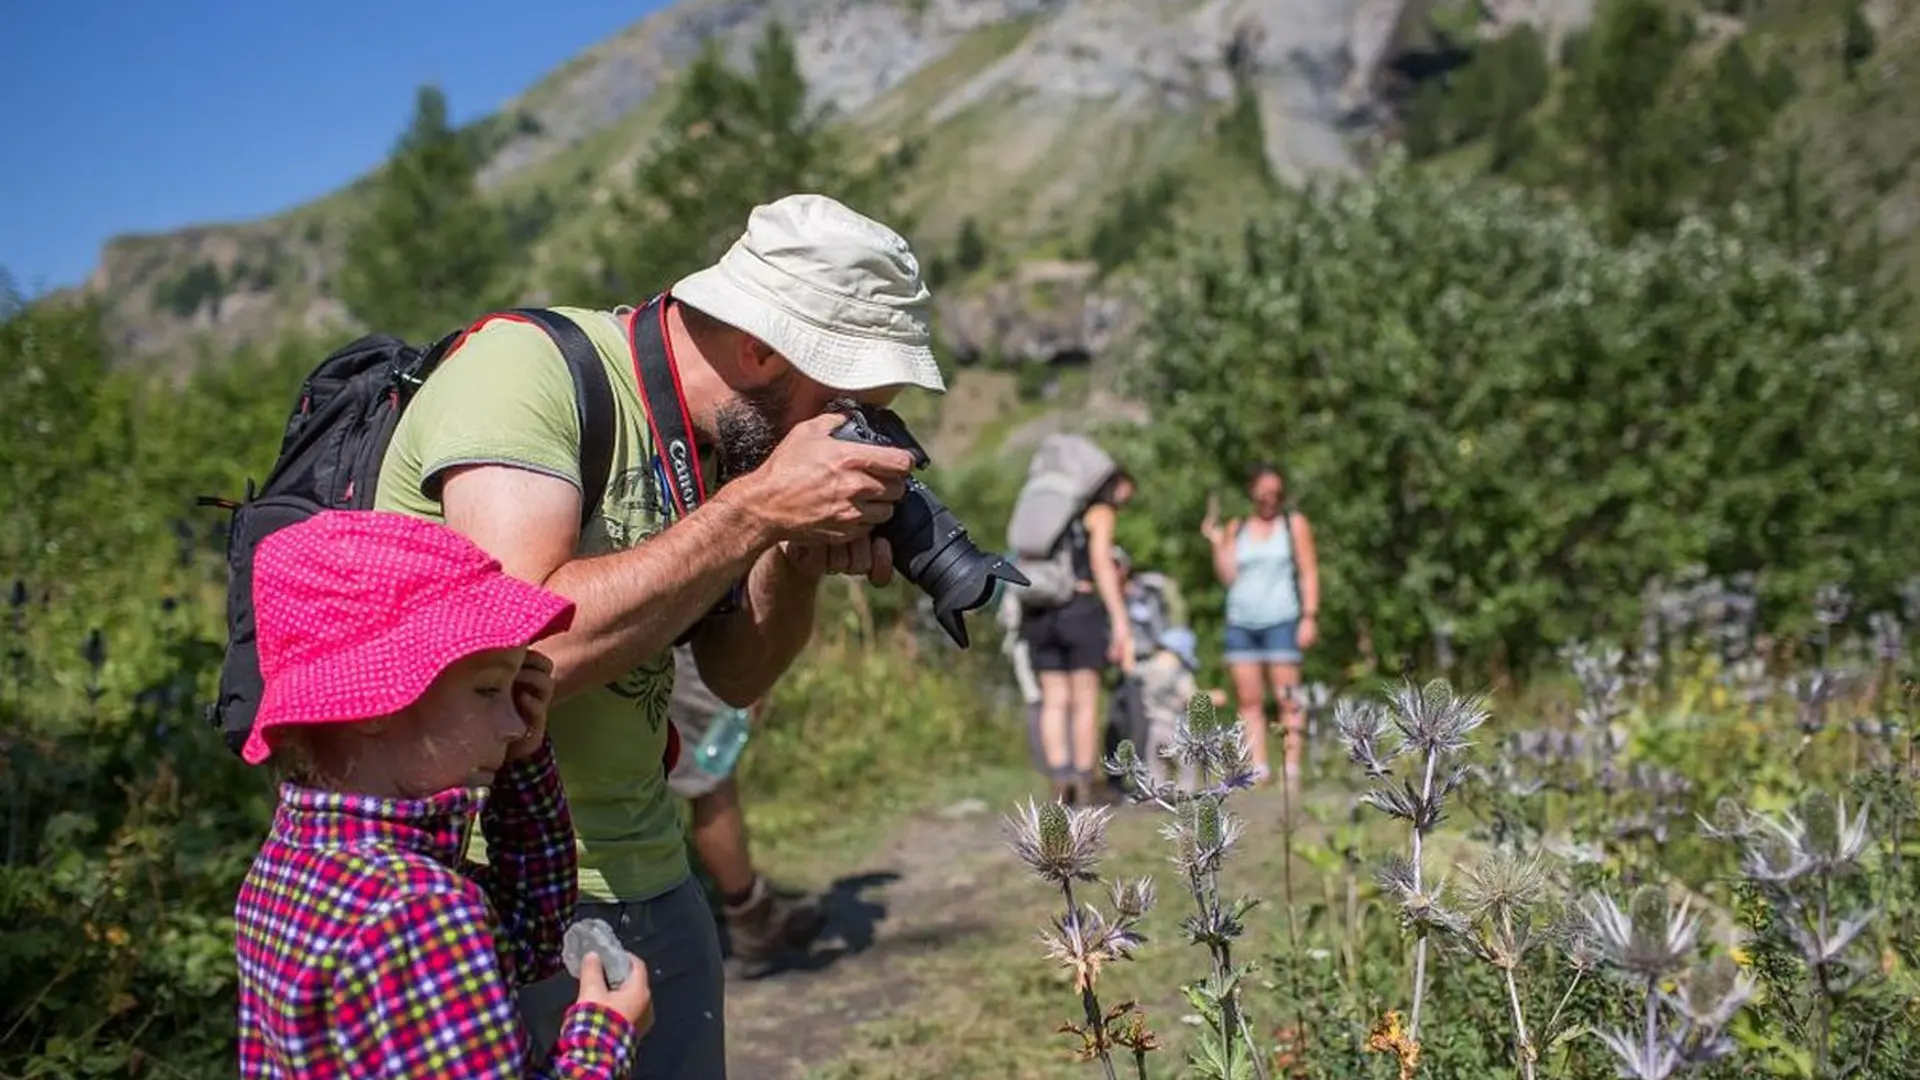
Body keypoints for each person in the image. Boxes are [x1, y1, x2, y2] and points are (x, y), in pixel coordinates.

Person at [372, 193, 945, 1080]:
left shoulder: (732, 441)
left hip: (655, 877)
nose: (850, 439)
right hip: (486, 888)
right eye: (847, 408)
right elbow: (512, 657)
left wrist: (793, 557)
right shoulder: (526, 372)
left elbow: (735, 673)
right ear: (761, 349)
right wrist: (754, 511)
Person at [232, 509, 654, 1079]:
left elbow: (529, 935)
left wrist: (523, 769)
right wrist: (605, 1038)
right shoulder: (419, 907)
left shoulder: (292, 864)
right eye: (487, 690)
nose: (514, 723)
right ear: (373, 703)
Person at [664, 644, 827, 976]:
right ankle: (752, 918)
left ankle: (747, 906)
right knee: (709, 781)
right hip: (682, 641)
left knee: (703, 776)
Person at [1019, 463, 1135, 807]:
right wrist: (1120, 620)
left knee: (1054, 699)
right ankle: (1084, 782)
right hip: (1079, 608)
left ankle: (1059, 780)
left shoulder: (1050, 512)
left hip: (1040, 611)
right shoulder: (1098, 514)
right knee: (1085, 699)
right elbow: (1101, 564)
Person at [1202, 462, 1321, 787]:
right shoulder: (1237, 527)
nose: (1270, 498)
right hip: (1241, 623)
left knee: (1289, 699)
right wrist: (1216, 542)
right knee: (1249, 701)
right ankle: (1258, 768)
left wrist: (1309, 616)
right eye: (1263, 492)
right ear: (1252, 491)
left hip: (1282, 620)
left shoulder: (1293, 524)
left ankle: (1291, 769)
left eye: (1275, 492)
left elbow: (1308, 571)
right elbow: (1227, 576)